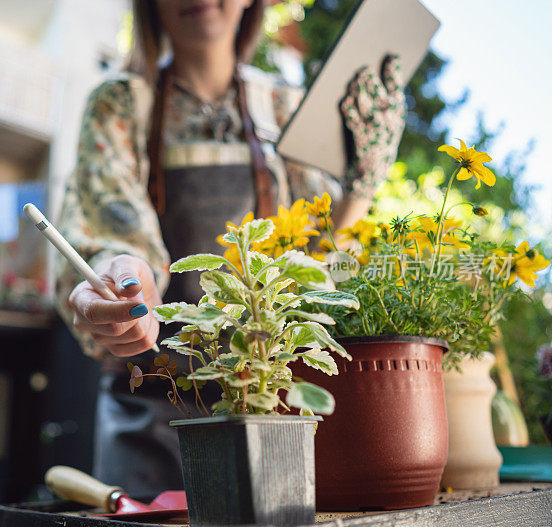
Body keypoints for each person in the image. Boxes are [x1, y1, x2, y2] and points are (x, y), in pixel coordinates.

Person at [54, 0, 405, 497]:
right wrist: (127, 285)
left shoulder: (283, 106)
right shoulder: (121, 103)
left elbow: (320, 257)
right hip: (152, 414)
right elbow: (115, 229)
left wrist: (363, 186)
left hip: (269, 411)